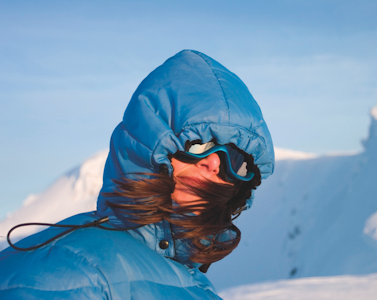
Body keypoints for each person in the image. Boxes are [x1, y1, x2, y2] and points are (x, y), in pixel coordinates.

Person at [0, 50, 274, 299]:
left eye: (237, 161)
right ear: (151, 145)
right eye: (198, 144)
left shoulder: (195, 284)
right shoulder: (65, 274)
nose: (214, 165)